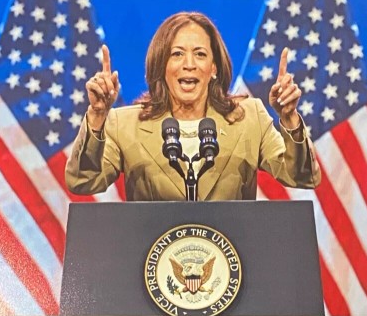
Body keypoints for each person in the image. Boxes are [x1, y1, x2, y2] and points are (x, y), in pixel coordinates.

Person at [65, 11, 321, 201]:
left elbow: (302, 177)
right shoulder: (125, 124)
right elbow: (82, 181)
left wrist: (289, 118)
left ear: (214, 68)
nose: (189, 64)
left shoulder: (249, 118)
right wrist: (97, 115)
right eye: (177, 54)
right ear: (162, 66)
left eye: (200, 54)